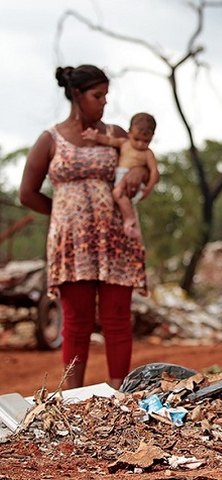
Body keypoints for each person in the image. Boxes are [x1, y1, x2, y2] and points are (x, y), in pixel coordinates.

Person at [19, 65, 148, 390]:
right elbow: (27, 193)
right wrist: (64, 214)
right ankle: (73, 397)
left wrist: (138, 173)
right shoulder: (50, 140)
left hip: (115, 239)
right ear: (77, 95)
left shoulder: (116, 134)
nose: (104, 102)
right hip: (72, 244)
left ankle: (120, 394)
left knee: (117, 319)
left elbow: (142, 160)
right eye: (97, 96)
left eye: (106, 96)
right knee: (77, 321)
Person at [82, 112, 159, 239]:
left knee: (117, 193)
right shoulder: (124, 143)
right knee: (118, 195)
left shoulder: (147, 154)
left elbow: (154, 172)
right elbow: (109, 140)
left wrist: (148, 188)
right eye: (137, 139)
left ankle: (129, 219)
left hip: (131, 182)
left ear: (152, 137)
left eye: (146, 141)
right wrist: (95, 137)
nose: (140, 144)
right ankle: (128, 219)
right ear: (129, 133)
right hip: (120, 176)